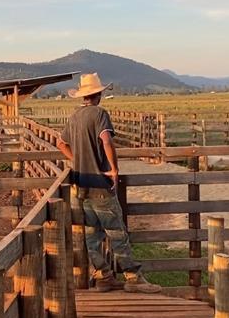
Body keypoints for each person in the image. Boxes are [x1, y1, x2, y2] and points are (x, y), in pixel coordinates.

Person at [56, 73, 161, 294]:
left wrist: (76, 160)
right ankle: (133, 276)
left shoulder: (75, 117)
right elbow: (106, 140)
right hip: (100, 185)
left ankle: (103, 276)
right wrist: (114, 169)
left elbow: (60, 143)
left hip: (80, 185)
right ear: (99, 94)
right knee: (116, 231)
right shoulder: (100, 114)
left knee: (91, 233)